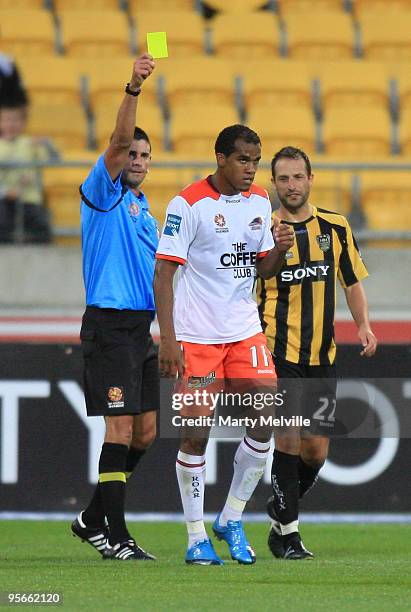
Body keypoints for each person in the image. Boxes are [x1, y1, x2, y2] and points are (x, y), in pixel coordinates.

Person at [154, 124, 294, 566]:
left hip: (244, 330)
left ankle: (231, 517)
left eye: (256, 161)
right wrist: (169, 341)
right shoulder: (187, 204)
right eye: (243, 160)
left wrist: (281, 250)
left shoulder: (258, 201)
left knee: (265, 421)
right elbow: (163, 273)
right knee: (196, 435)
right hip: (196, 337)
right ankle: (196, 536)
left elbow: (263, 269)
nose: (252, 169)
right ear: (221, 158)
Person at [257, 146, 378, 560]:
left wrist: (362, 324)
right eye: (284, 178)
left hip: (321, 356)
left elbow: (352, 281)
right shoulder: (263, 228)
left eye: (298, 177)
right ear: (274, 183)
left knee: (316, 451)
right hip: (277, 351)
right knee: (287, 438)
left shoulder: (335, 226)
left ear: (311, 178)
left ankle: (280, 511)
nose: (291, 185)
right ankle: (289, 536)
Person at [70, 54, 159, 561]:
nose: (137, 160)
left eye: (145, 155)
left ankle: (90, 517)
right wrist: (133, 88)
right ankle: (118, 537)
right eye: (132, 154)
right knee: (120, 428)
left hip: (140, 330)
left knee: (145, 431)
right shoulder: (101, 195)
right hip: (108, 325)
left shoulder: (145, 210)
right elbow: (118, 142)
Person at [0, 103, 51, 243]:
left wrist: (46, 143)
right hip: (3, 199)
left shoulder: (30, 143)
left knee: (42, 228)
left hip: (28, 197)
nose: (11, 124)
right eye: (7, 120)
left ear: (23, 124)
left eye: (15, 120)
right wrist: (5, 192)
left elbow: (54, 159)